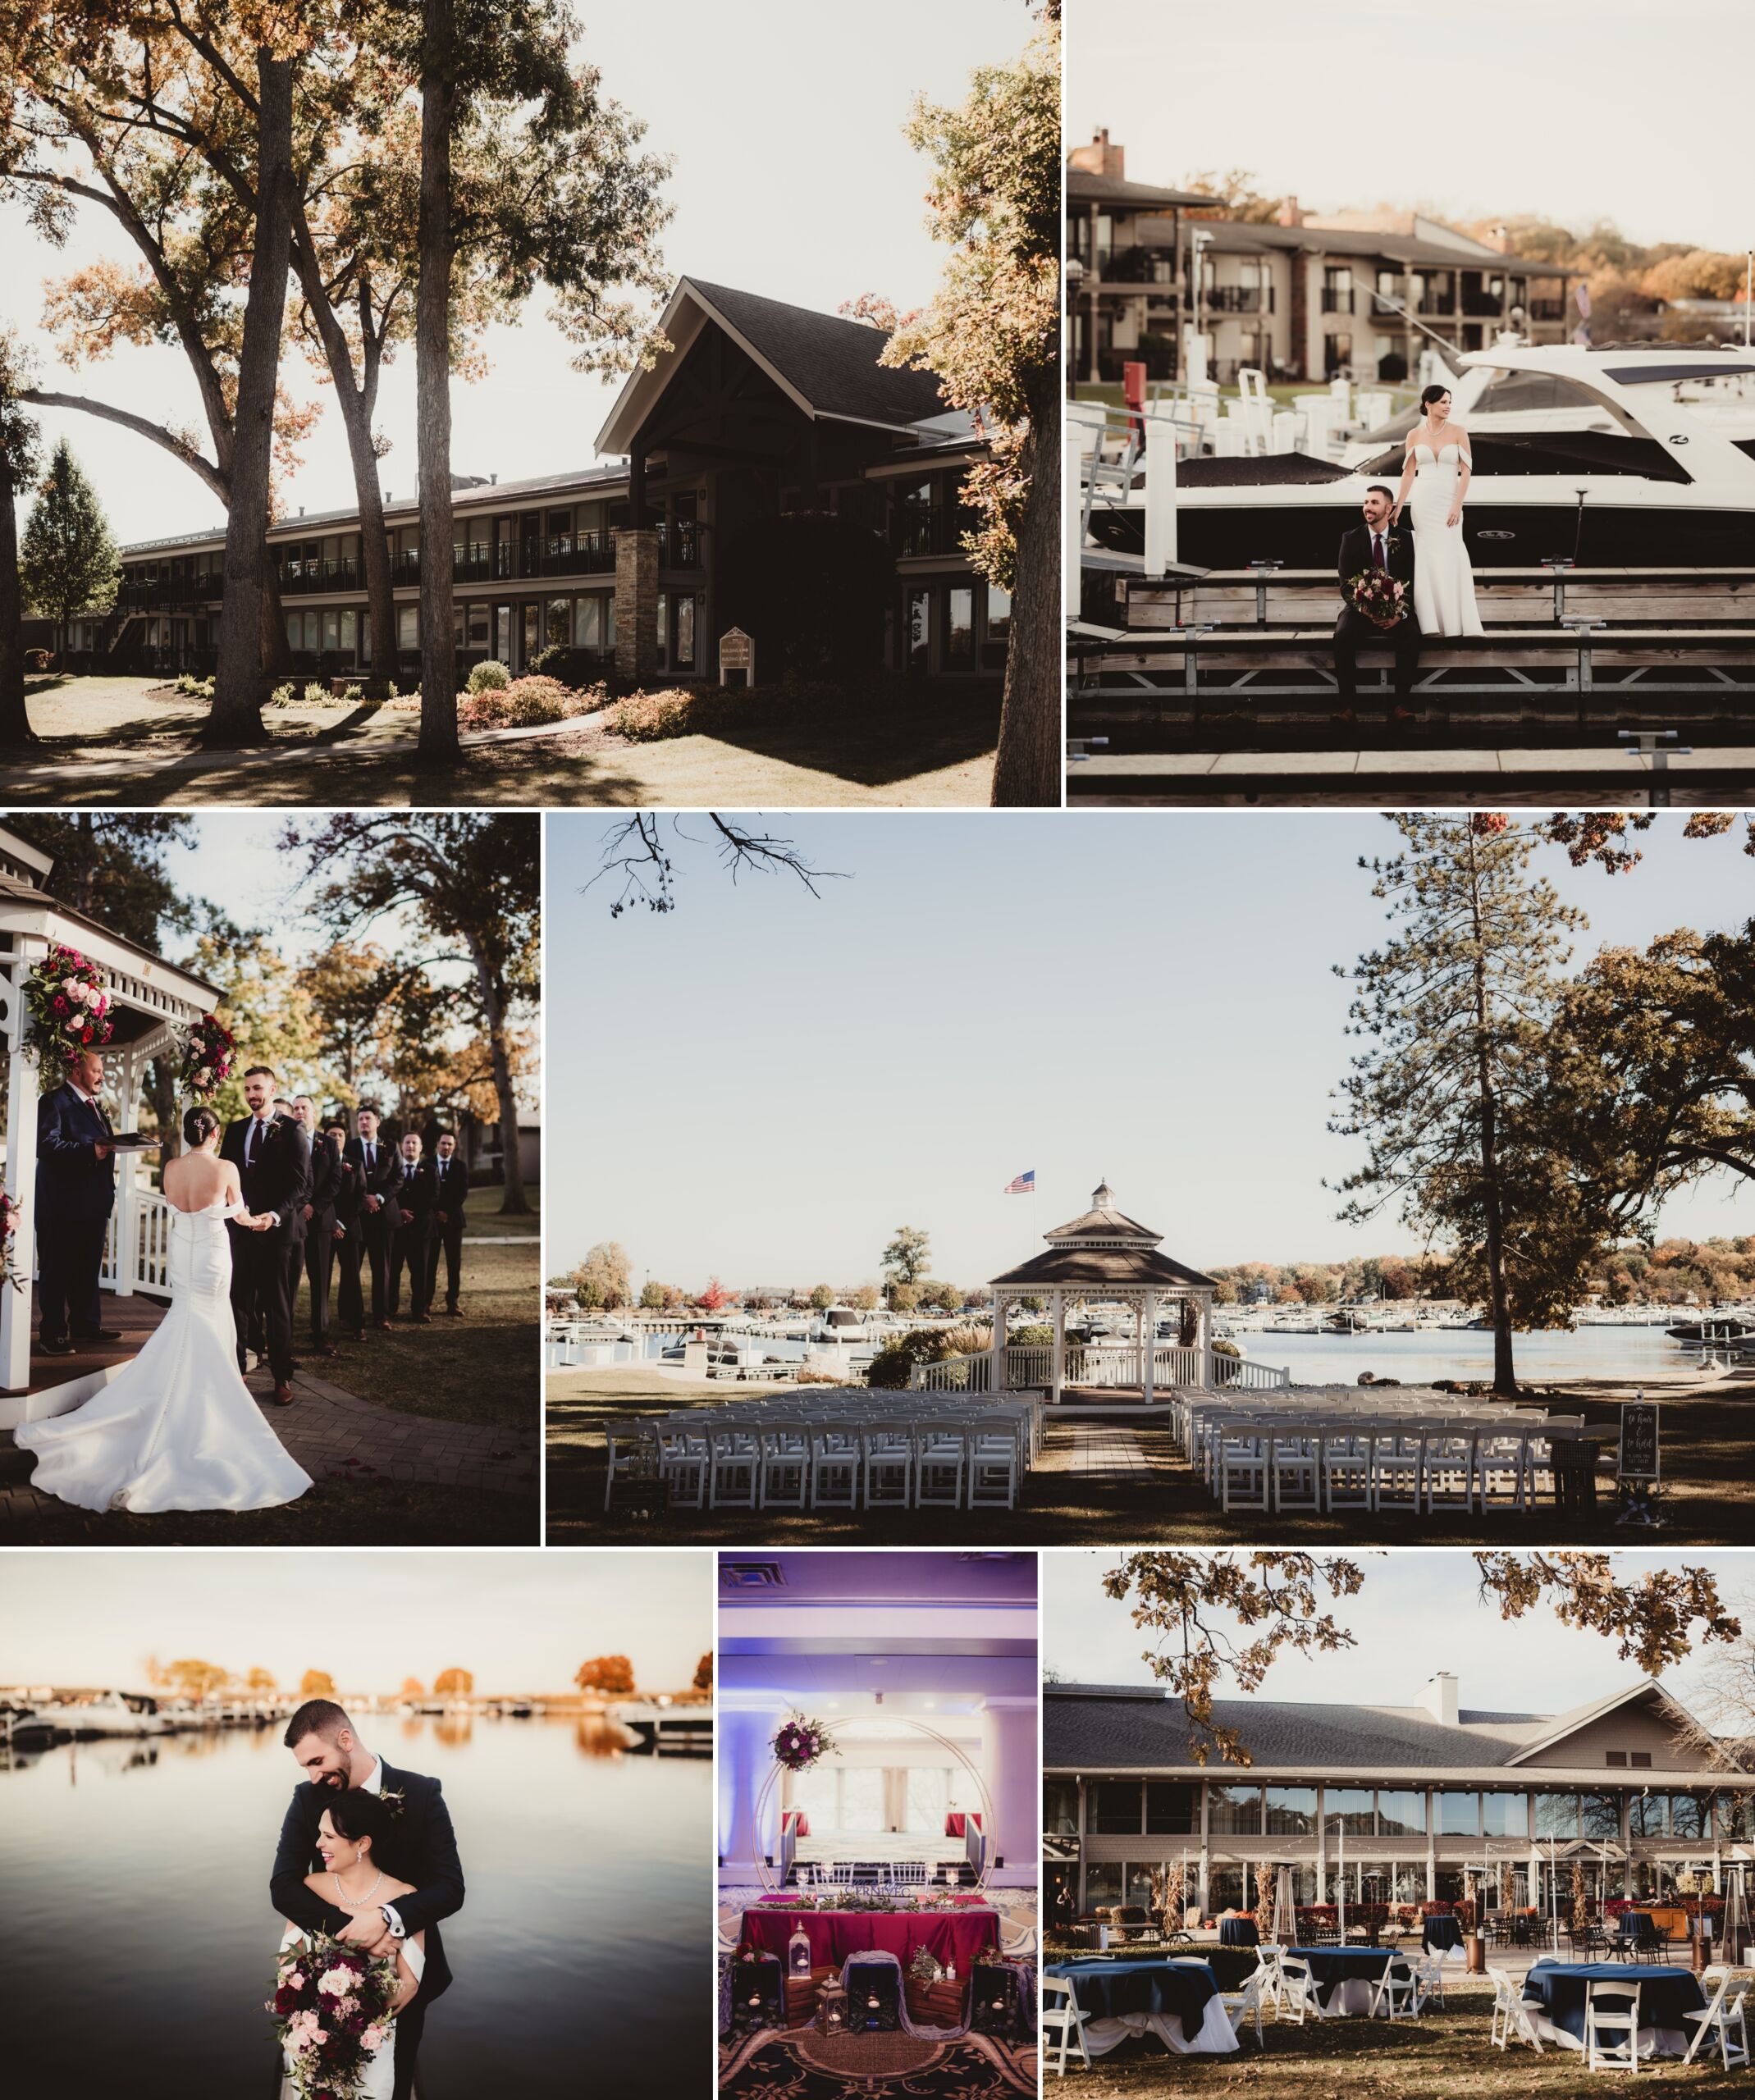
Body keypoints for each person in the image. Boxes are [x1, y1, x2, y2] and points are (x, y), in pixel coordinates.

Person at [13, 1105, 313, 1510]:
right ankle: (208, 1402)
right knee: (209, 1319)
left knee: (185, 1317)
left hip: (182, 1253)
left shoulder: (171, 1168)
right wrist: (263, 1222)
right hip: (211, 1254)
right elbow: (240, 1216)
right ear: (215, 1134)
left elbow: (178, 1207)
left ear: (189, 1134)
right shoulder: (226, 1168)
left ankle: (184, 1393)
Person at [272, 1698, 464, 2100]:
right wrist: (351, 1931)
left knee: (394, 2076)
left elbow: (449, 1887)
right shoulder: (308, 1797)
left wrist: (386, 1918)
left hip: (406, 1969)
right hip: (326, 1974)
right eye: (306, 1766)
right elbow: (284, 1886)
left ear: (346, 1739)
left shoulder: (422, 1793)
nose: (314, 1776)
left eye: (318, 1761)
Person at [277, 1791, 424, 2100]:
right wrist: (316, 2020)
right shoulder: (309, 1889)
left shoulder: (405, 1898)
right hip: (311, 2036)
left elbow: (408, 1985)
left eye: (329, 1836)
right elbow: (287, 1964)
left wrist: (353, 2016)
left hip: (370, 2042)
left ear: (362, 1844)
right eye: (320, 1834)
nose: (318, 1844)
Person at [221, 1065, 312, 1405]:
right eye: (247, 1089)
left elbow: (300, 1185)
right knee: (238, 1303)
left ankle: (282, 1377)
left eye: (257, 1088)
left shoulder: (293, 1129)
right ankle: (237, 1371)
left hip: (277, 1235)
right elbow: (225, 1178)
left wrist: (272, 1217)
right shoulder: (235, 1130)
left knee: (277, 1307)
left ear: (272, 1090)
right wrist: (237, 1214)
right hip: (241, 1232)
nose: (251, 1095)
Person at [34, 1046, 123, 1356]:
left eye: (102, 1071)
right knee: (56, 1270)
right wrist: (89, 1151)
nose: (102, 1077)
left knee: (86, 1270)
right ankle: (52, 1334)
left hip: (94, 1205)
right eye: (96, 1071)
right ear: (76, 1072)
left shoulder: (95, 1107)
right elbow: (46, 1145)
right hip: (61, 1206)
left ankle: (86, 1324)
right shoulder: (53, 1101)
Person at [1392, 382, 1483, 637]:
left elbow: (1466, 471)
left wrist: (1457, 504)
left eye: (1449, 402)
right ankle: (1430, 623)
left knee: (1450, 554)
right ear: (1428, 404)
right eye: (1443, 402)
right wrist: (1399, 506)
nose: (1448, 406)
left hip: (1449, 501)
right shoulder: (1414, 435)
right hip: (1423, 504)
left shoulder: (1458, 431)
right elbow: (1409, 473)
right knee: (1427, 558)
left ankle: (1454, 623)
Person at [1332, 484, 1421, 717]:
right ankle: (1347, 707)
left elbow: (1414, 581)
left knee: (1412, 635)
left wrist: (1399, 614)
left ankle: (1401, 705)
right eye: (1365, 502)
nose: (1367, 507)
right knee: (1342, 635)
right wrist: (1367, 611)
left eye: (1374, 502)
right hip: (1361, 609)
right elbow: (1346, 587)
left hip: (1396, 609)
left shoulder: (1406, 539)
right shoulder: (1350, 538)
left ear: (1389, 508)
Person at [288, 1096, 343, 1358]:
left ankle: (321, 1334)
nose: (300, 1112)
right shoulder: (285, 1140)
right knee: (290, 1279)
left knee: (320, 1280)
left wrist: (314, 1207)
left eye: (304, 1108)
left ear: (313, 1112)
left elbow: (335, 1181)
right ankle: (284, 1335)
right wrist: (299, 1208)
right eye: (296, 1108)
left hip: (321, 1223)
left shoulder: (329, 1144)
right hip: (293, 1220)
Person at [342, 1107, 402, 1333]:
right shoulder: (349, 1147)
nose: (364, 1122)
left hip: (383, 1217)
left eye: (368, 1118)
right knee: (351, 1268)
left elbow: (398, 1178)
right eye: (360, 1119)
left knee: (382, 1269)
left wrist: (379, 1198)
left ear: (377, 1121)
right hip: (356, 1217)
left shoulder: (391, 1147)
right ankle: (348, 1314)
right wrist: (363, 1200)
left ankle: (381, 1315)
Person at [386, 1131, 437, 1322]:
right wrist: (399, 1212)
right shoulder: (392, 1168)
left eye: (415, 1143)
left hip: (421, 1228)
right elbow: (389, 1192)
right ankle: (390, 1308)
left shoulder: (430, 1169)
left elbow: (434, 1196)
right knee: (393, 1270)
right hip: (397, 1227)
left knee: (420, 1271)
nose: (411, 1146)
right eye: (407, 1142)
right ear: (402, 1146)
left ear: (421, 1147)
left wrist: (412, 1213)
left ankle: (420, 1310)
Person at [426, 1130, 468, 1318]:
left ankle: (453, 1302)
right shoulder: (427, 1164)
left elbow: (462, 1193)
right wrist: (437, 1213)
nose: (446, 1147)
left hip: (453, 1222)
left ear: (454, 1146)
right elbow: (424, 1190)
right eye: (443, 1143)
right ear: (438, 1144)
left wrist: (447, 1213)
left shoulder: (460, 1166)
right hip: (432, 1222)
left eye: (450, 1144)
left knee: (454, 1264)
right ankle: (426, 1302)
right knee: (430, 1263)